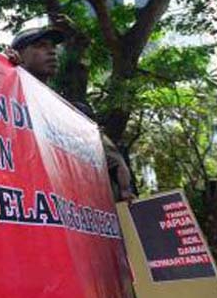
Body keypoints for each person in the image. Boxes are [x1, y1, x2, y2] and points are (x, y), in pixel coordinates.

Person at [8, 23, 135, 201]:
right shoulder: (3, 91)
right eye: (40, 46)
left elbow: (110, 157)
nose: (52, 52)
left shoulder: (69, 112)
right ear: (18, 54)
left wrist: (124, 188)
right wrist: (3, 69)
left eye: (53, 47)